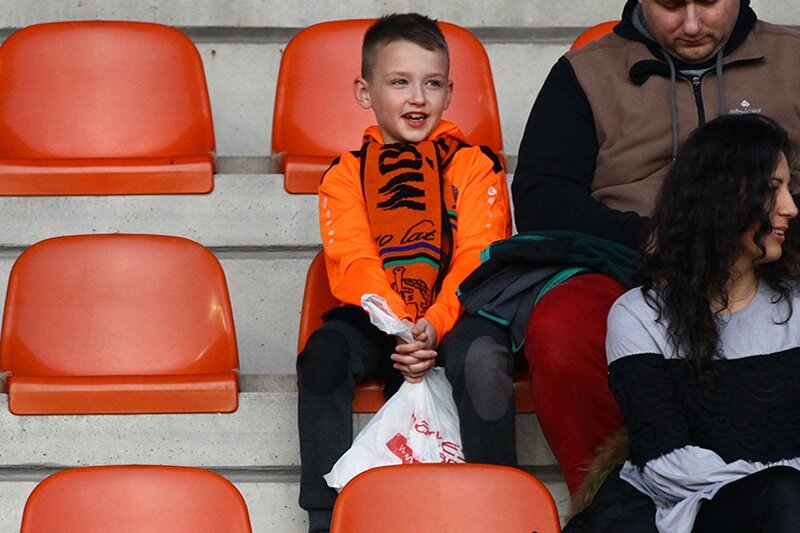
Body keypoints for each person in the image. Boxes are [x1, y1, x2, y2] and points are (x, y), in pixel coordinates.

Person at [512, 0, 800, 496]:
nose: (691, 23)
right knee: (561, 328)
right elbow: (542, 198)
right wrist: (653, 239)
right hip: (630, 265)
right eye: (669, 4)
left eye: (708, 2)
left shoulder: (792, 60)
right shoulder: (585, 73)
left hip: (775, 258)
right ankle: (611, 499)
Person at [296, 13, 514, 532]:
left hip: (458, 312)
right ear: (364, 92)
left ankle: (501, 510)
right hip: (380, 317)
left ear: (449, 93)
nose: (417, 98)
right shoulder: (345, 174)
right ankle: (327, 518)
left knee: (484, 361)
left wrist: (432, 325)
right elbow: (353, 262)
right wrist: (399, 326)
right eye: (399, 83)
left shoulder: (476, 165)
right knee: (322, 357)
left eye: (432, 84)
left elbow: (477, 258)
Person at [567, 113, 800, 531]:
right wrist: (774, 487)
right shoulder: (639, 315)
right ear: (722, 199)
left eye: (788, 188)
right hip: (676, 514)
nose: (791, 208)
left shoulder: (796, 309)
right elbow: (665, 462)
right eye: (771, 190)